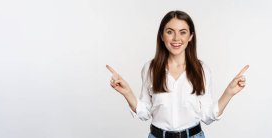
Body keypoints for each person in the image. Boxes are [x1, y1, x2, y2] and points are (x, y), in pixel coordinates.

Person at [106, 10, 249, 138]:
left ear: (191, 36)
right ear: (162, 36)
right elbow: (145, 113)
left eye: (183, 32)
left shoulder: (202, 69)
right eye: (170, 32)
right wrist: (127, 92)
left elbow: (207, 116)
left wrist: (229, 92)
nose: (176, 38)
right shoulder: (150, 68)